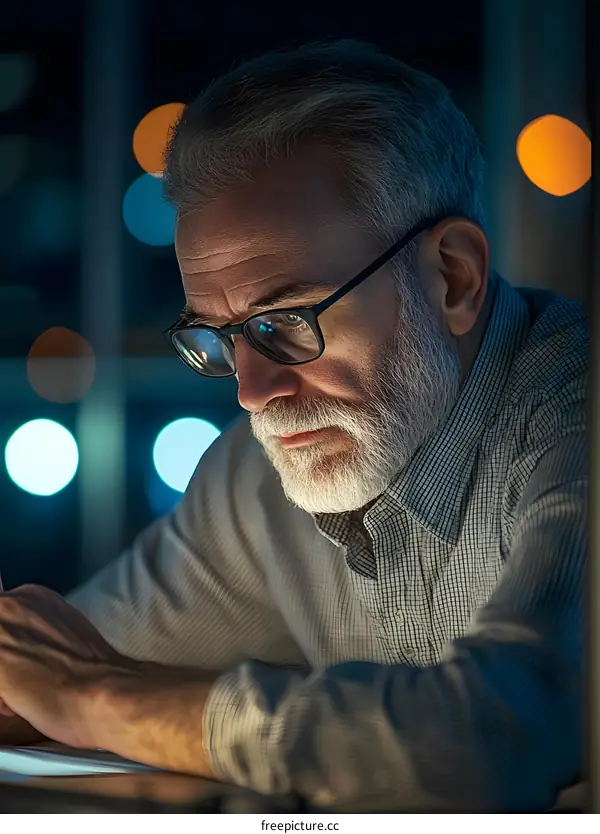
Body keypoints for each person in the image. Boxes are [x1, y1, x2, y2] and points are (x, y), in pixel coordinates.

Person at [0, 40, 587, 811]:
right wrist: (45, 683)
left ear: (454, 277)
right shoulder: (261, 475)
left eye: (284, 321)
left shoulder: (577, 421)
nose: (251, 392)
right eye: (218, 338)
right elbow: (55, 672)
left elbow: (495, 747)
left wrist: (99, 695)